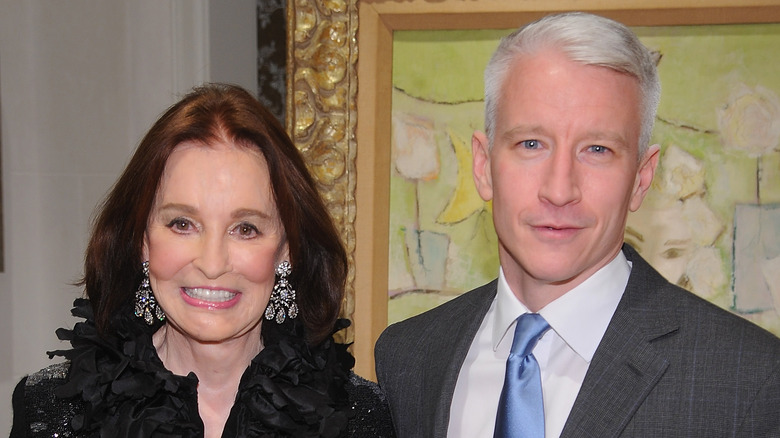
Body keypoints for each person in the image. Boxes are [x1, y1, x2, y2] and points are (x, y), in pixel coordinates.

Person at [375, 12, 780, 438]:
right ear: (484, 166)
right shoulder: (409, 357)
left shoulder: (750, 380)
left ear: (642, 178)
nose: (559, 188)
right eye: (531, 144)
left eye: (598, 149)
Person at [11, 84, 395, 437]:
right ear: (141, 241)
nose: (212, 264)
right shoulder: (51, 409)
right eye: (182, 224)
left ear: (287, 250)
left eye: (245, 228)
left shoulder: (359, 417)